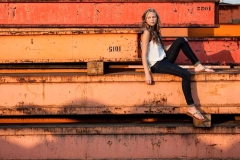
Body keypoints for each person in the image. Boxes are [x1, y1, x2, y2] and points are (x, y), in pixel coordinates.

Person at [140, 8, 214, 121]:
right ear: (145, 20)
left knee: (180, 39)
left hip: (164, 59)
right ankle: (191, 107)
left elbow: (161, 49)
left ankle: (198, 65)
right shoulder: (146, 32)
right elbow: (144, 54)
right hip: (157, 64)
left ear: (157, 18)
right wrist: (147, 73)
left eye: (153, 17)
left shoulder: (155, 31)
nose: (152, 19)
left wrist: (178, 43)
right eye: (149, 17)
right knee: (185, 74)